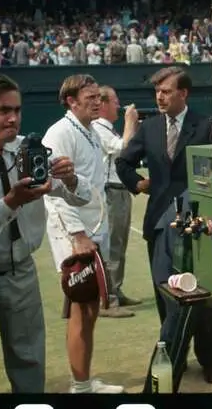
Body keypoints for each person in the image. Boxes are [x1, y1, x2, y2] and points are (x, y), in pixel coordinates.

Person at [0, 74, 93, 393]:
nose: (13, 118)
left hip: (23, 275)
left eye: (17, 110)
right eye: (3, 110)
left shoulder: (32, 150)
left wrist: (71, 180)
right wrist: (11, 203)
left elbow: (84, 197)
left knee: (30, 365)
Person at [116, 66, 212, 386]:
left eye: (166, 91)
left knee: (202, 294)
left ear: (183, 94)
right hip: (159, 226)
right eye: (157, 92)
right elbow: (123, 162)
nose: (160, 97)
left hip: (198, 224)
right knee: (168, 295)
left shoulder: (205, 126)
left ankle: (208, 360)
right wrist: (139, 183)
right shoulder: (149, 129)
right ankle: (175, 351)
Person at [42, 74, 125, 393]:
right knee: (82, 307)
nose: (97, 102)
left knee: (88, 310)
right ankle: (81, 387)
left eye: (98, 97)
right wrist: (77, 235)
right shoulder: (60, 133)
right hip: (75, 236)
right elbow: (51, 191)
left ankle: (84, 381)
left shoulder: (88, 131)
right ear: (70, 101)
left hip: (93, 232)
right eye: (89, 97)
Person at [92, 85, 142, 314]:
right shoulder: (98, 128)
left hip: (120, 190)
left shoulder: (108, 129)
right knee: (111, 245)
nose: (118, 106)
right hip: (110, 191)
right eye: (114, 101)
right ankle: (107, 299)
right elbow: (123, 149)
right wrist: (130, 122)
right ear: (102, 104)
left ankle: (116, 291)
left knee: (119, 245)